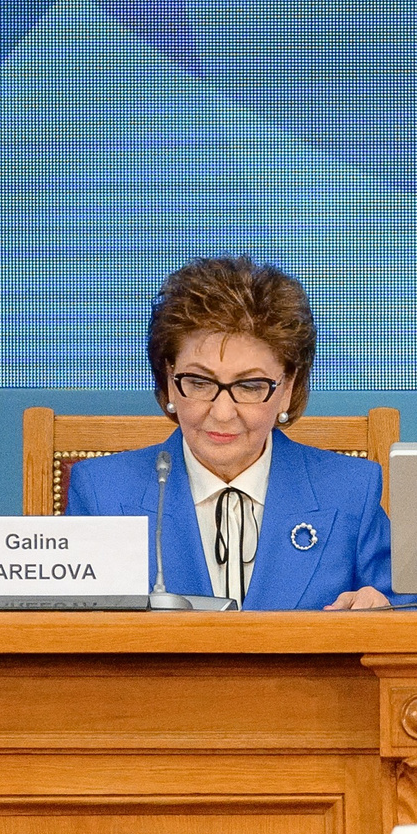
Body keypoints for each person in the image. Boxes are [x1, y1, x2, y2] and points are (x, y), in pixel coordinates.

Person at [67, 256, 392, 609]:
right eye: (199, 382)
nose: (222, 414)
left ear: (287, 387)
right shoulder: (103, 493)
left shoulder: (350, 491)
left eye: (250, 386)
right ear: (170, 382)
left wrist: (384, 612)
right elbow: (70, 638)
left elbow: (411, 616)